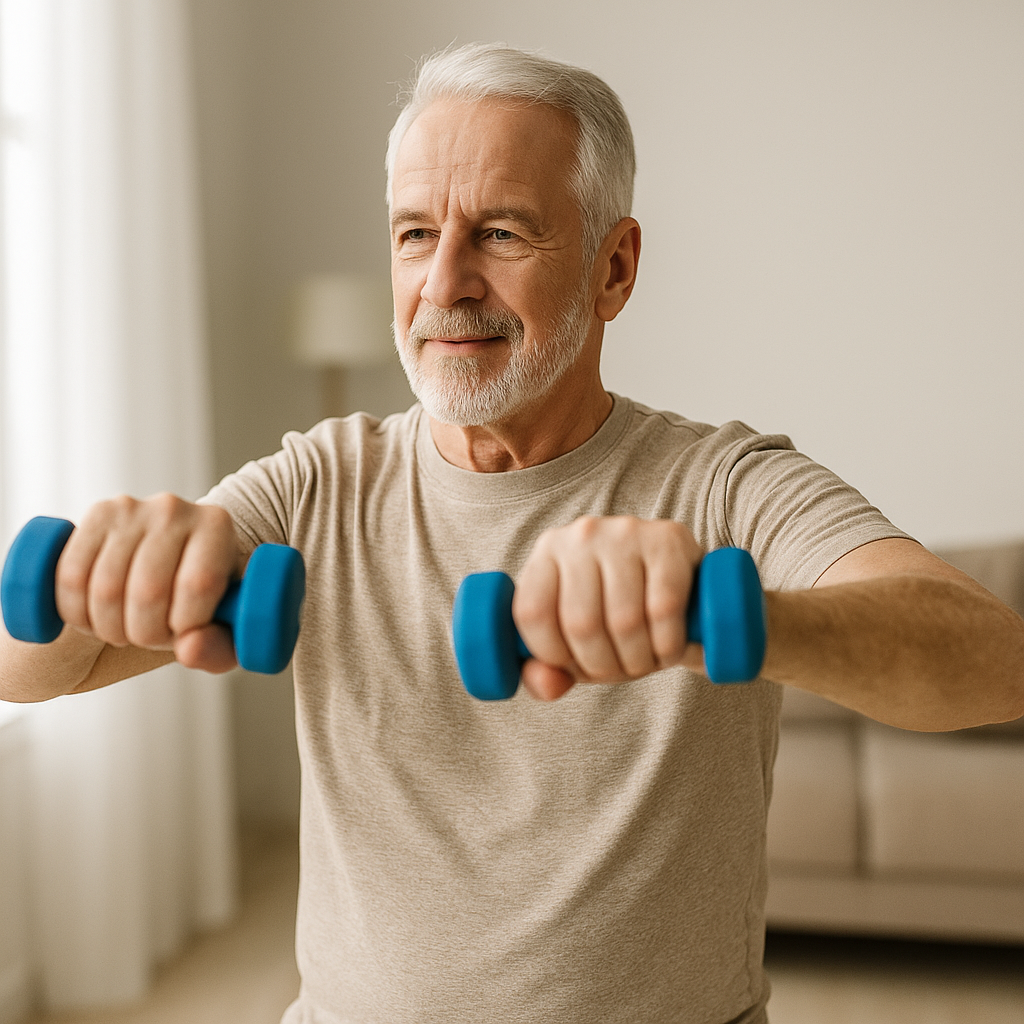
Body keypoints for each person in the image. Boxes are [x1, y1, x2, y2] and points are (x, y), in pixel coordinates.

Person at [2, 42, 1022, 1024]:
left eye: (498, 232)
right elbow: (27, 667)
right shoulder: (320, 482)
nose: (443, 284)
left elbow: (994, 661)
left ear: (612, 269)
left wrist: (732, 614)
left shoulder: (722, 485)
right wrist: (107, 569)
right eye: (413, 234)